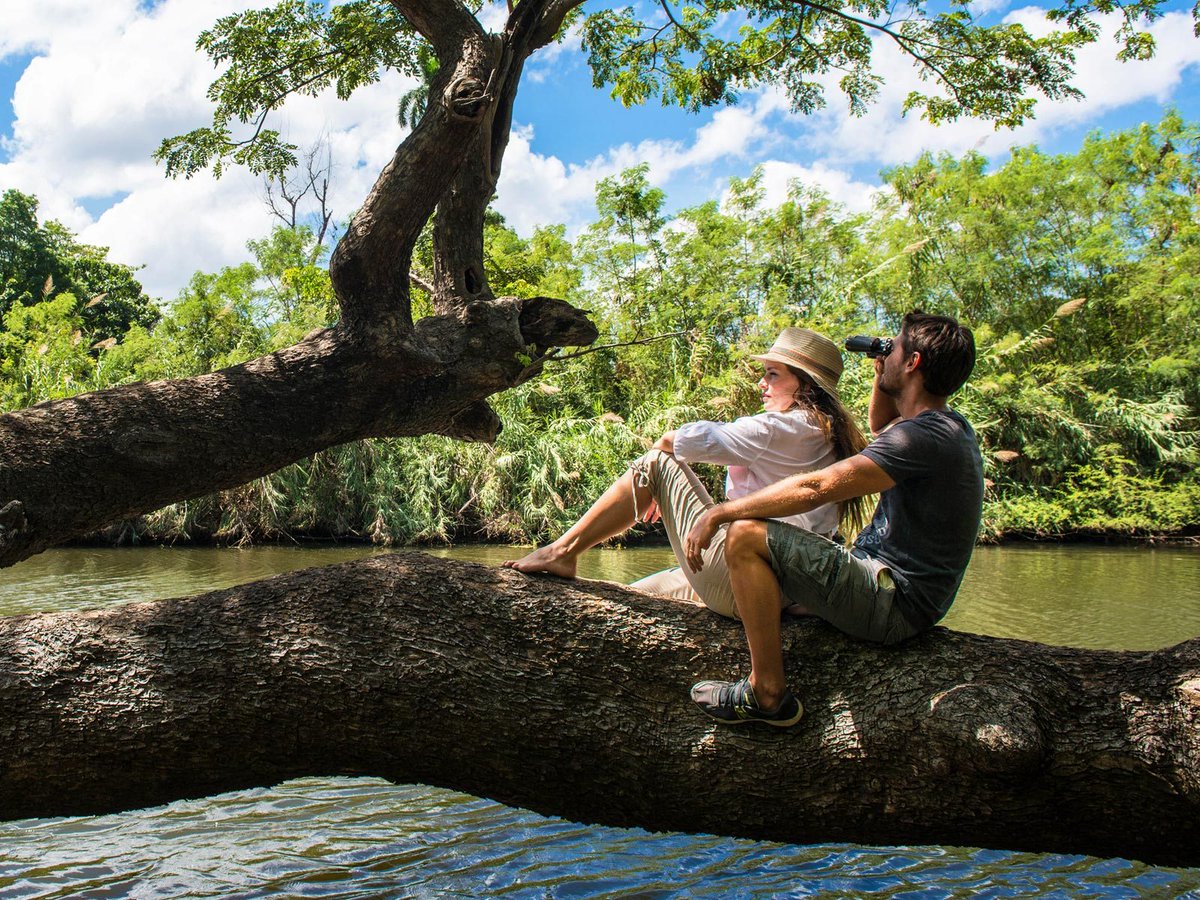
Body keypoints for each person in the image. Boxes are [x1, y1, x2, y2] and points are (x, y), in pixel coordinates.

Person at [683, 311, 983, 727]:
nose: (885, 353)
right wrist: (884, 369)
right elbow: (881, 423)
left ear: (913, 363)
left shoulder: (926, 437)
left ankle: (765, 693)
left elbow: (817, 488)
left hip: (893, 601)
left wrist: (721, 511)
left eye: (892, 348)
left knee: (746, 535)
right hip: (895, 591)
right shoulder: (939, 429)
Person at [502, 327, 869, 619]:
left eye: (772, 375)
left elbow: (669, 441)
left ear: (804, 384)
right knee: (637, 597)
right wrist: (670, 493)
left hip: (744, 575)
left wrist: (662, 484)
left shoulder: (779, 427)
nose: (762, 384)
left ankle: (562, 550)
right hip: (780, 589)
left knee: (655, 463)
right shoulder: (829, 434)